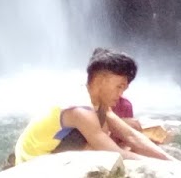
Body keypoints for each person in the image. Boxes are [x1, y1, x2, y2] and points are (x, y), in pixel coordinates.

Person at [13, 48, 172, 163]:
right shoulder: (80, 109)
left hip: (51, 153)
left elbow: (130, 135)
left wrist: (172, 162)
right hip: (33, 162)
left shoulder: (99, 103)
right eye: (119, 86)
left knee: (113, 129)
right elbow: (113, 153)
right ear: (101, 80)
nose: (121, 93)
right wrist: (160, 166)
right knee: (101, 140)